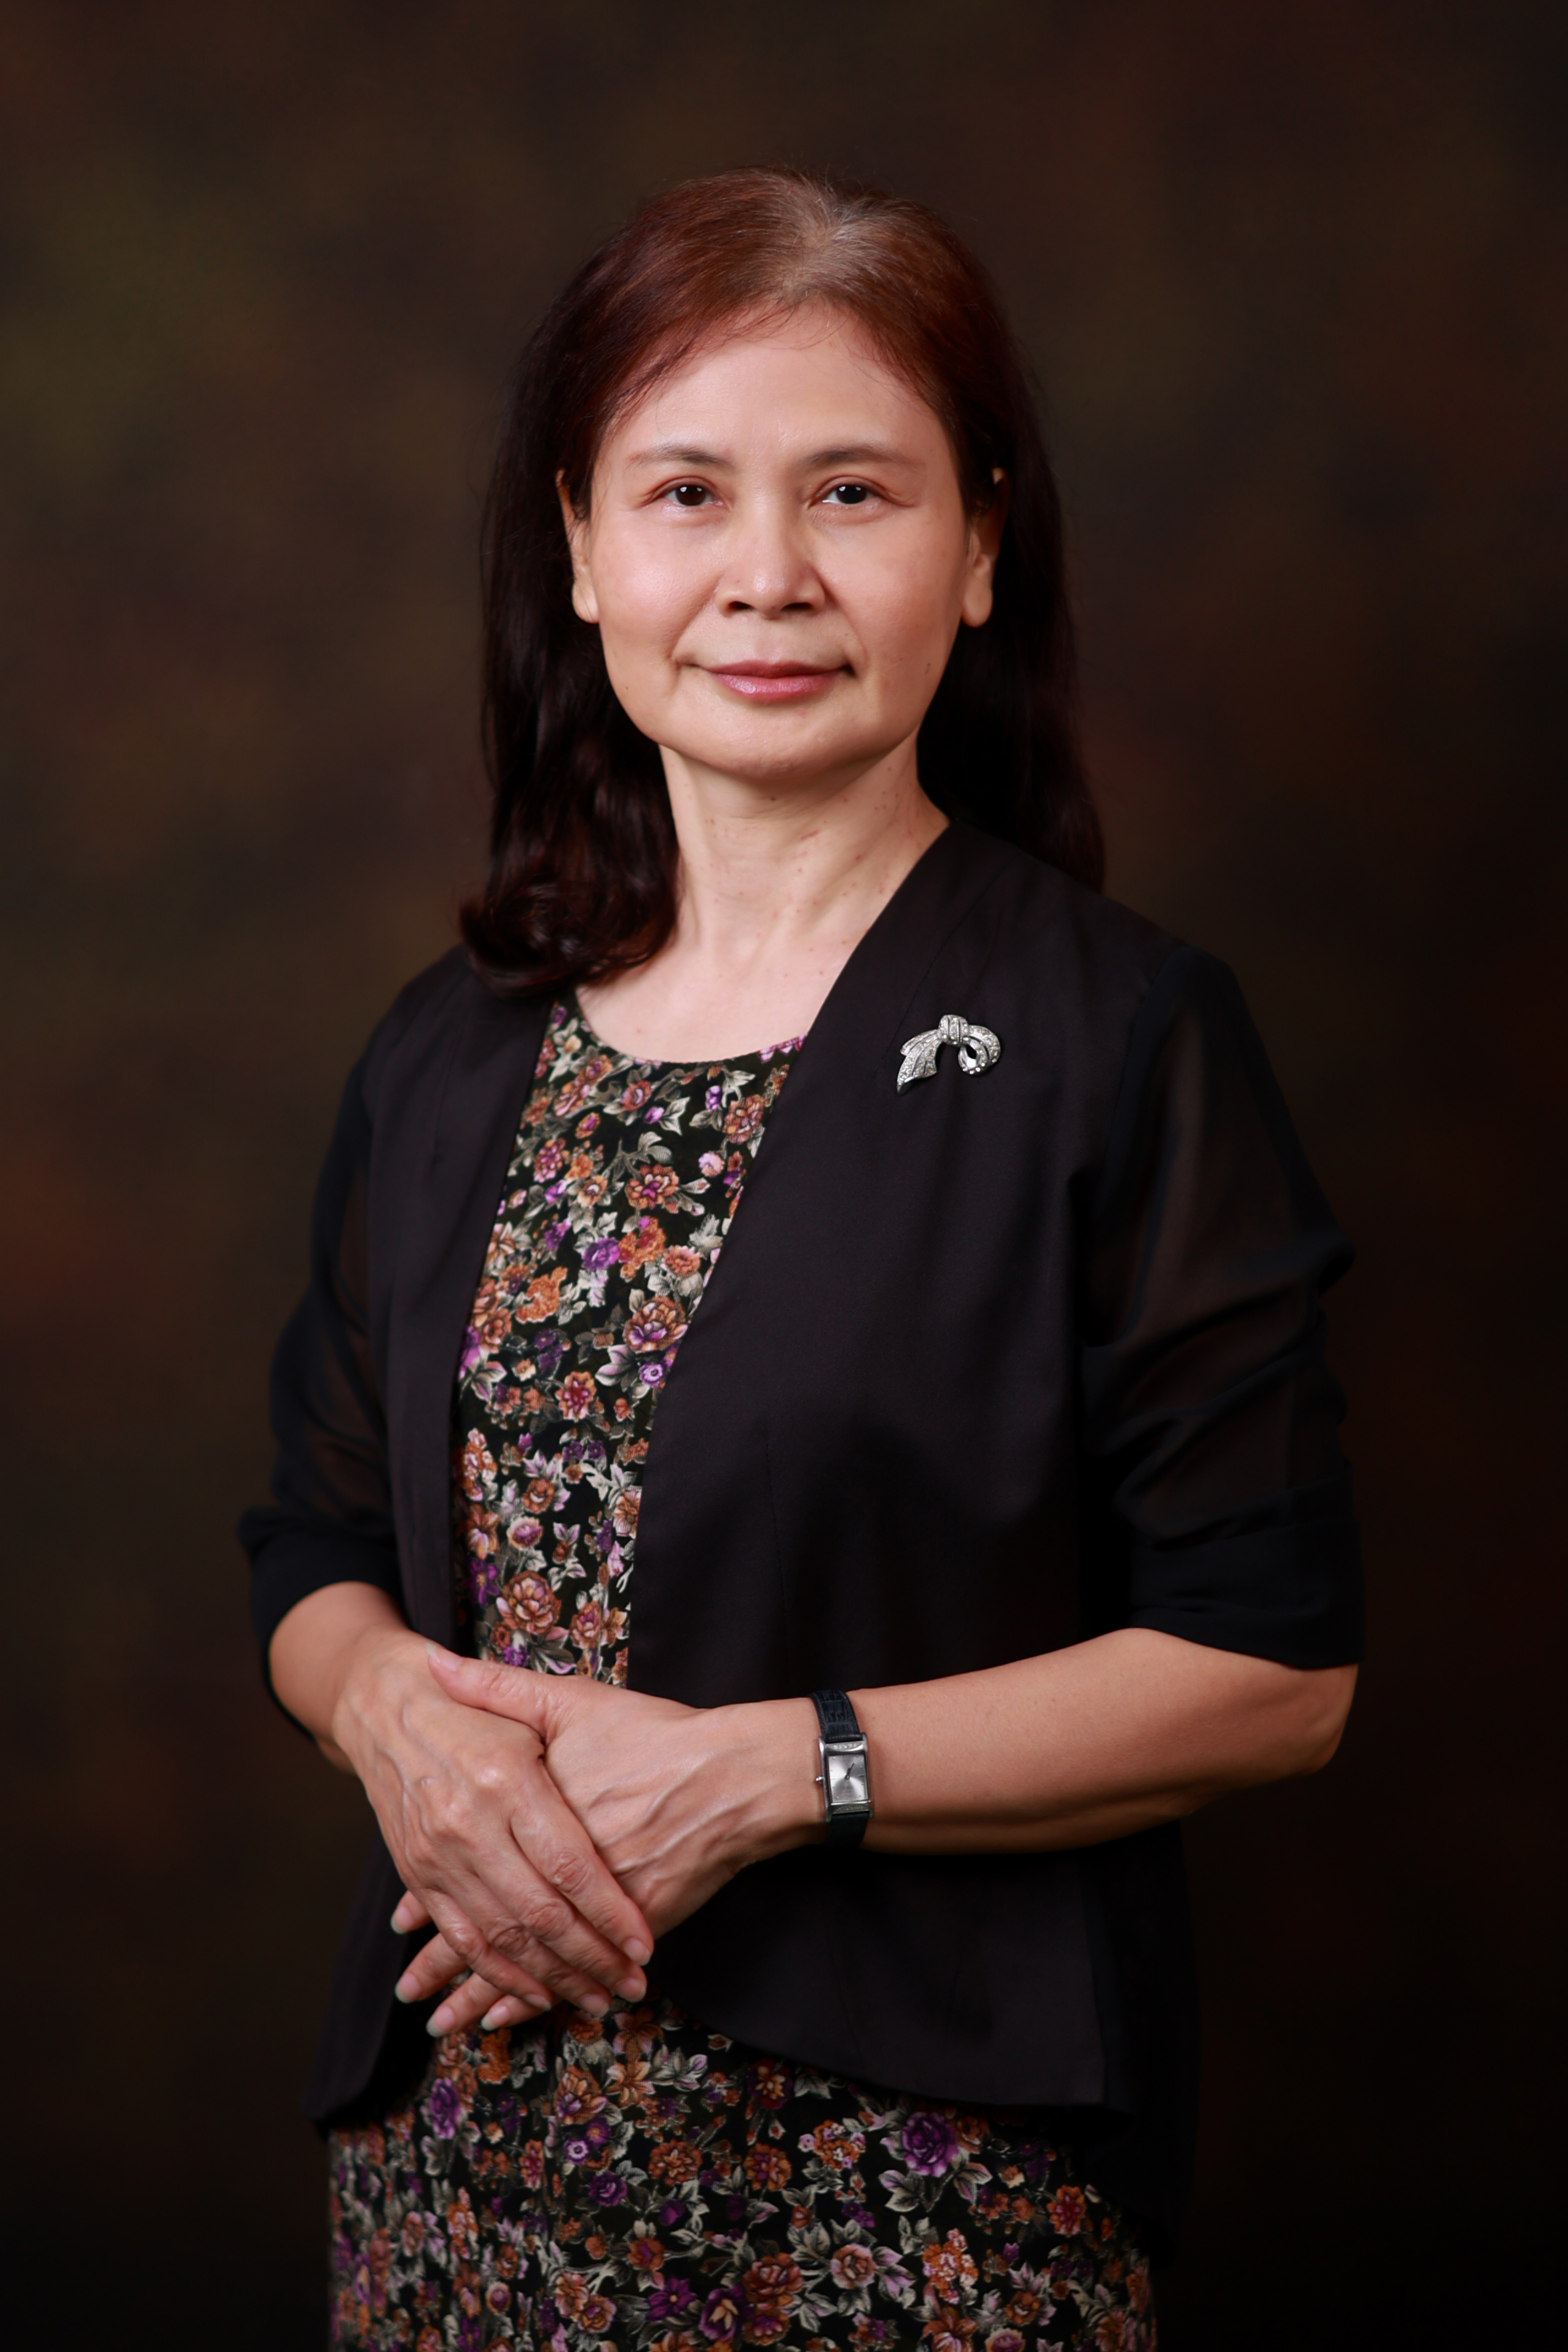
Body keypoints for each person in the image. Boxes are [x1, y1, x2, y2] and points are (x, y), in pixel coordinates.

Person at [241, 168, 1362, 2350]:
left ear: (981, 546)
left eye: (853, 490)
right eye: (687, 492)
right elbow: (315, 1537)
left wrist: (776, 1769)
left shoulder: (1114, 1038)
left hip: (918, 2200)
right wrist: (391, 1720)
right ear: (583, 549)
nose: (768, 573)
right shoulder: (450, 1050)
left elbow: (1274, 1668)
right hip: (467, 2173)